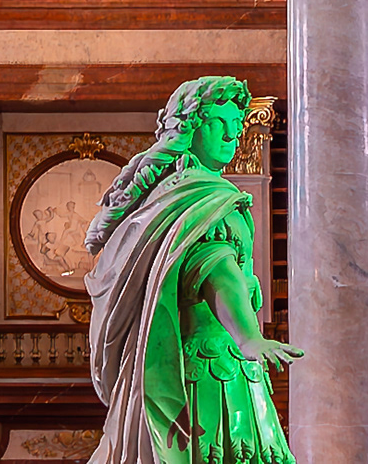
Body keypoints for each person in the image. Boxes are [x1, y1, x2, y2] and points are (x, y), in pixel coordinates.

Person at [85, 76, 297, 464]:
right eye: (220, 122)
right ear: (190, 128)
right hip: (210, 373)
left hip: (184, 363)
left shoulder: (166, 197)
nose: (233, 132)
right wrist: (249, 338)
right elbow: (216, 270)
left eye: (238, 123)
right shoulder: (206, 200)